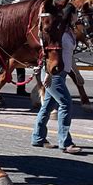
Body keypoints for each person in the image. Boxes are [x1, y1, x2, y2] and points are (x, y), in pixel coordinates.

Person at [31, 9, 82, 153]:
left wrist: (77, 74)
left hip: (62, 73)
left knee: (47, 106)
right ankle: (65, 142)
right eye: (76, 13)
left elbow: (69, 56)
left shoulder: (70, 32)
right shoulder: (58, 32)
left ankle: (37, 137)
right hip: (53, 74)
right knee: (65, 103)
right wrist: (48, 73)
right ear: (70, 15)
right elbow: (49, 54)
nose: (78, 16)